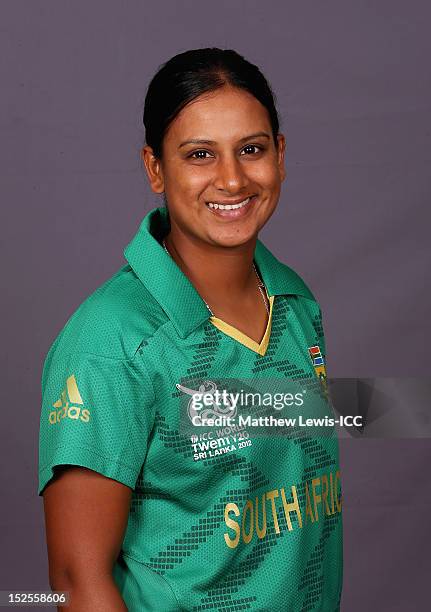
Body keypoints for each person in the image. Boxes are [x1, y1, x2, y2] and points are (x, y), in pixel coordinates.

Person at [38, 48, 343, 611]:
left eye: (251, 149)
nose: (232, 179)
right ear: (155, 168)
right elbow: (77, 582)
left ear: (280, 154)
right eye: (200, 154)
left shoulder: (296, 301)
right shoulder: (111, 340)